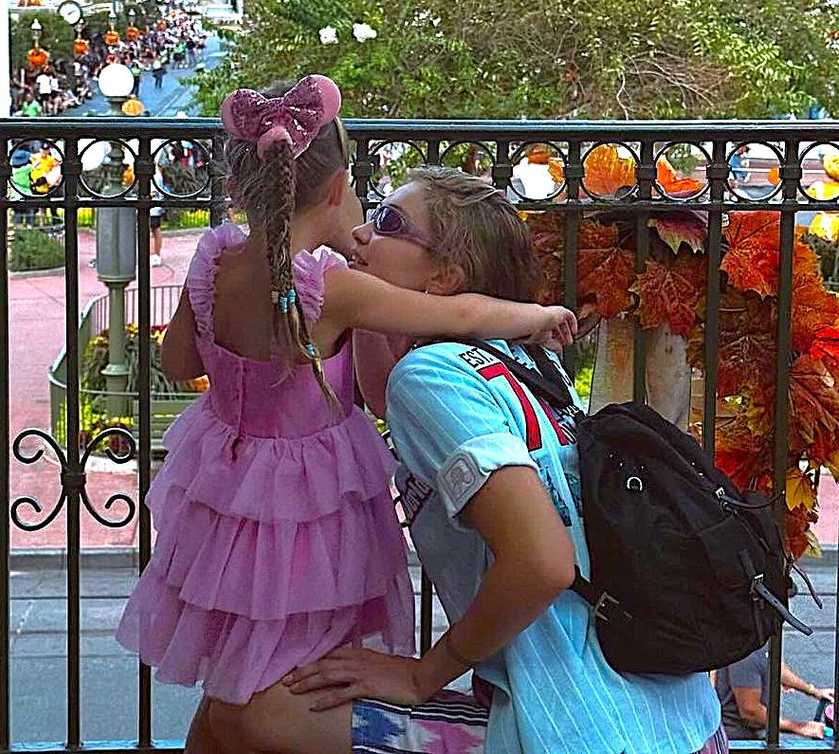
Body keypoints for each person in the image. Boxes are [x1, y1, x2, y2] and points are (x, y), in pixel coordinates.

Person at [199, 166, 726, 754]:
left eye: (390, 223)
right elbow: (376, 388)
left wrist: (423, 674)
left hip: (577, 726)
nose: (365, 235)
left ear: (445, 279)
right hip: (675, 723)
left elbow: (544, 562)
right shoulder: (524, 364)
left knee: (247, 712)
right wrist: (369, 308)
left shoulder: (433, 377)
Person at [115, 78, 576, 742]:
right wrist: (537, 317)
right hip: (305, 506)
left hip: (224, 488)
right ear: (336, 190)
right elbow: (462, 312)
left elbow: (178, 362)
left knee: (233, 689)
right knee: (289, 670)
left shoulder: (215, 261)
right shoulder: (330, 289)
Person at [716, 641, 832, 741]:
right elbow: (750, 710)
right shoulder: (745, 651)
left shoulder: (762, 642)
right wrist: (798, 727)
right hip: (738, 740)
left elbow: (776, 667)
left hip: (755, 735)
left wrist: (813, 691)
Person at [150, 161, 165, 265]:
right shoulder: (157, 173)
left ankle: (154, 254)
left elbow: (154, 192)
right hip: (155, 207)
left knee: (153, 230)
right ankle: (155, 253)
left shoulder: (154, 175)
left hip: (152, 208)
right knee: (155, 230)